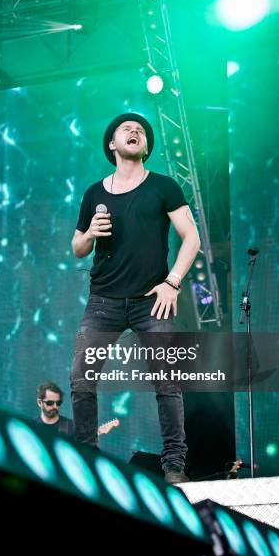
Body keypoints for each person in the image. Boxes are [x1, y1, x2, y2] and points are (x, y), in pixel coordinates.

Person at [70, 113, 200, 484]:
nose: (134, 130)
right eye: (125, 128)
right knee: (81, 380)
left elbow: (190, 237)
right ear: (111, 144)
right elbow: (77, 248)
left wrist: (172, 282)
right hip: (103, 302)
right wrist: (90, 232)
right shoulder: (94, 193)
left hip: (151, 302)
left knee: (168, 383)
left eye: (140, 129)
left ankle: (174, 466)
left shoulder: (163, 186)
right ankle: (88, 461)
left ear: (145, 146)